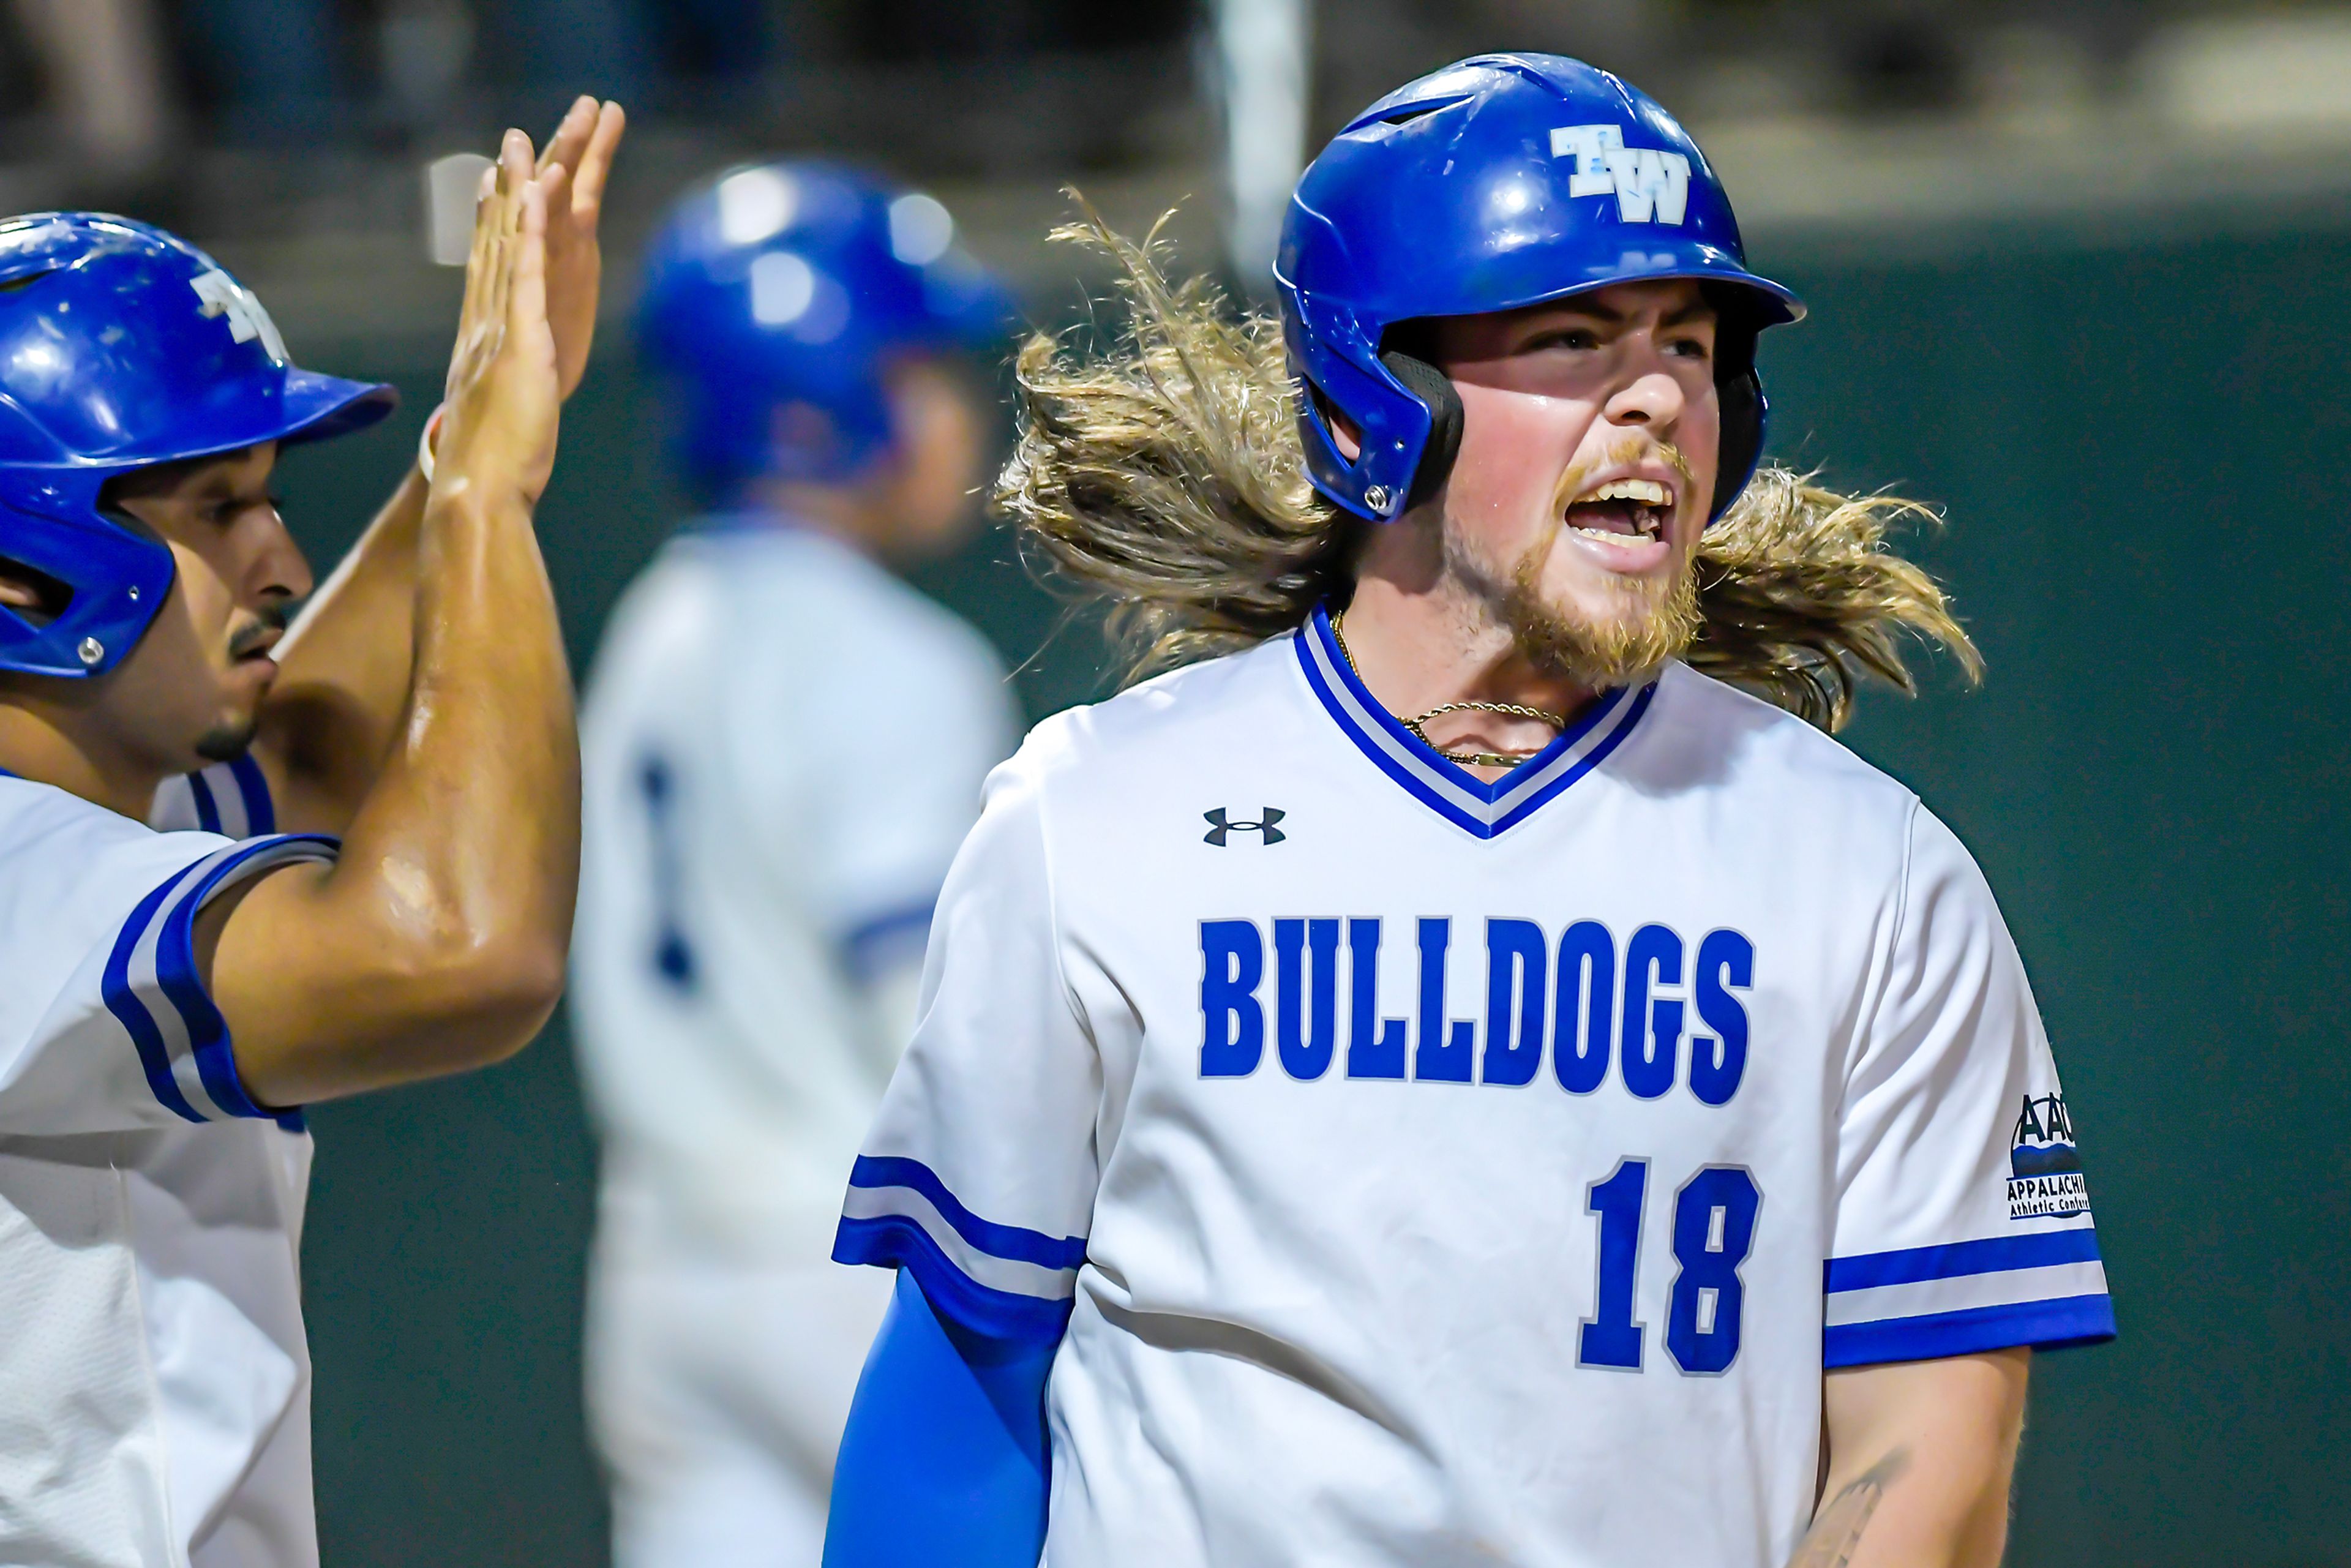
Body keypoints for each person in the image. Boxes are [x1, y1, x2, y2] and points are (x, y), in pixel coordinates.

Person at [821, 54, 2113, 1568]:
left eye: (1692, 347)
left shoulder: (1874, 879)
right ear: (1386, 399)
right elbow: (959, 1404)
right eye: (1575, 339)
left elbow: (1922, 1458)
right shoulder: (1099, 821)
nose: (1659, 397)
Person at [0, 97, 624, 1567]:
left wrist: (460, 461)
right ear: (26, 570)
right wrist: (480, 504)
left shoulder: (85, 817)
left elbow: (304, 759)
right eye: (217, 511)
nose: (276, 555)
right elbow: (460, 953)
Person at [569, 161, 1020, 1567]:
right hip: (849, 1275)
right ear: (827, 405)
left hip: (658, 1268)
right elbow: (940, 1037)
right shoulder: (892, 656)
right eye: (923, 369)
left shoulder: (645, 629)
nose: (960, 408)